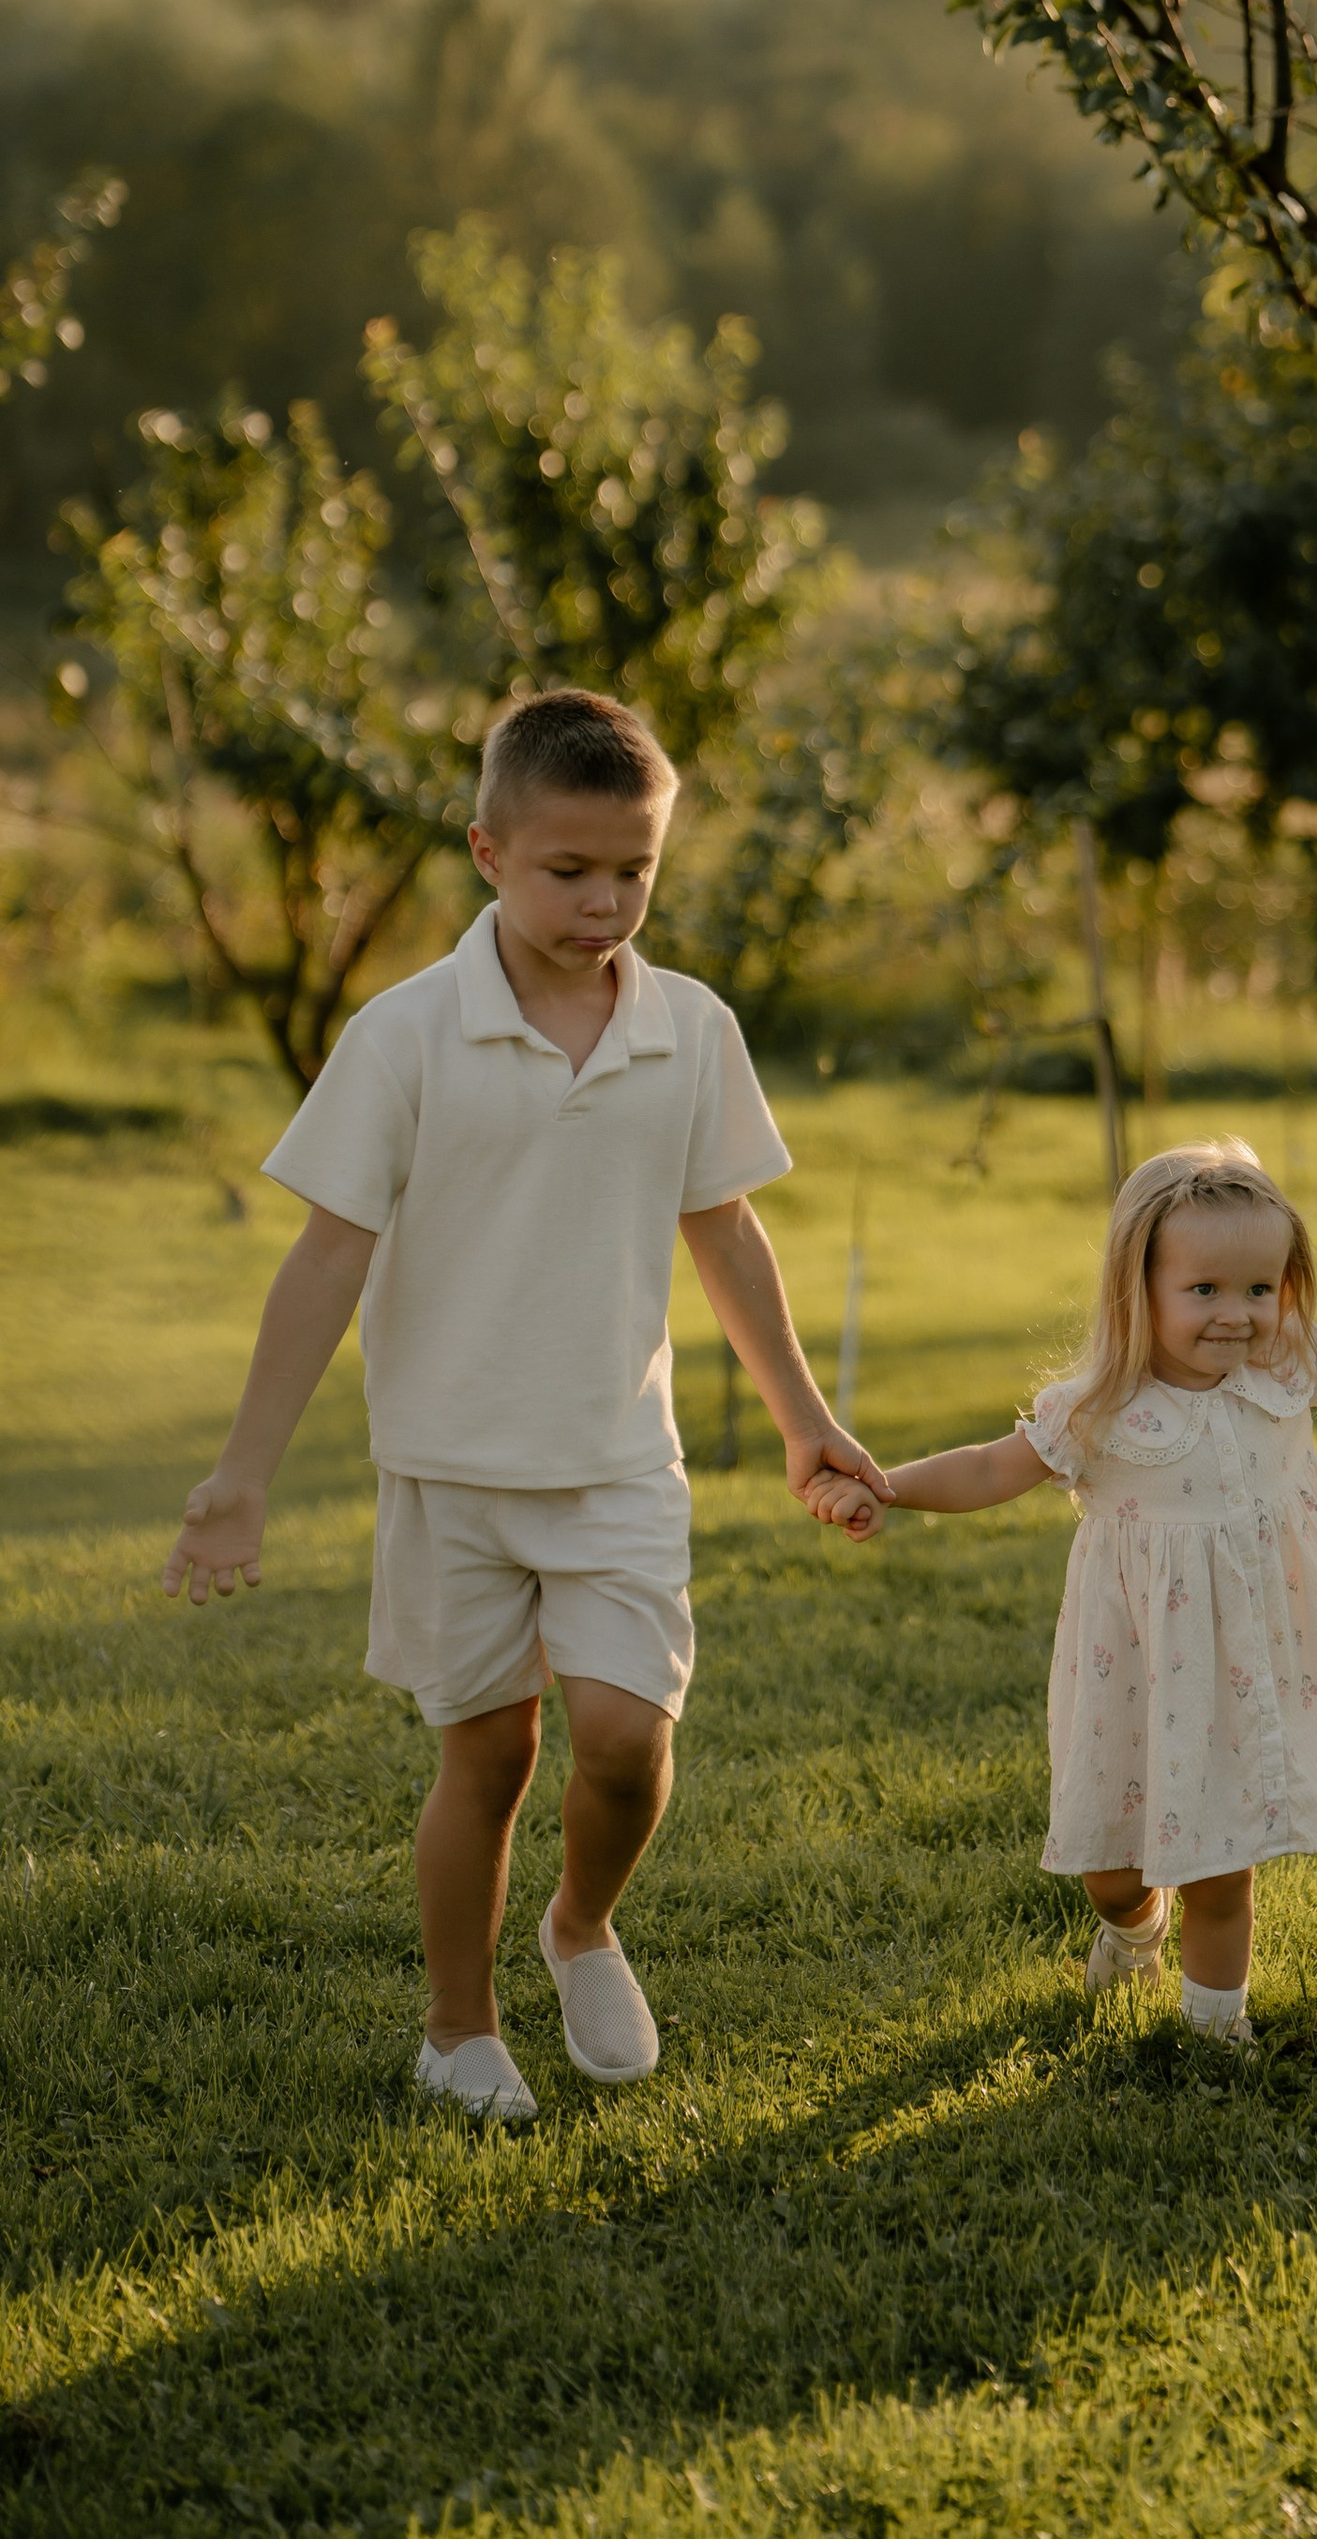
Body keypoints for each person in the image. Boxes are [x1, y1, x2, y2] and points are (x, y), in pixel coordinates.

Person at [160, 685, 886, 2121]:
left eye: (636, 871)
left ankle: (582, 1925)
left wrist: (803, 1417)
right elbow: (325, 1256)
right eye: (572, 871)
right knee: (486, 1754)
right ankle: (458, 2028)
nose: (607, 900)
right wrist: (242, 1474)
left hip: (619, 1458)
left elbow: (726, 1233)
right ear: (490, 853)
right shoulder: (406, 1035)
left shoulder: (689, 1030)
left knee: (627, 1738)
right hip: (449, 1468)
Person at [809, 1141, 1317, 2048]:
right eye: (1204, 1290)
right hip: (1141, 1666)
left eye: (1257, 1288)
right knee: (1113, 1869)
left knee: (1219, 1853)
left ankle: (1214, 2032)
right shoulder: (1102, 1408)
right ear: (1141, 1288)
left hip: (1251, 1658)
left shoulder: (1279, 1372)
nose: (1236, 1315)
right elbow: (985, 1468)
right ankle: (1133, 1928)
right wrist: (883, 1486)